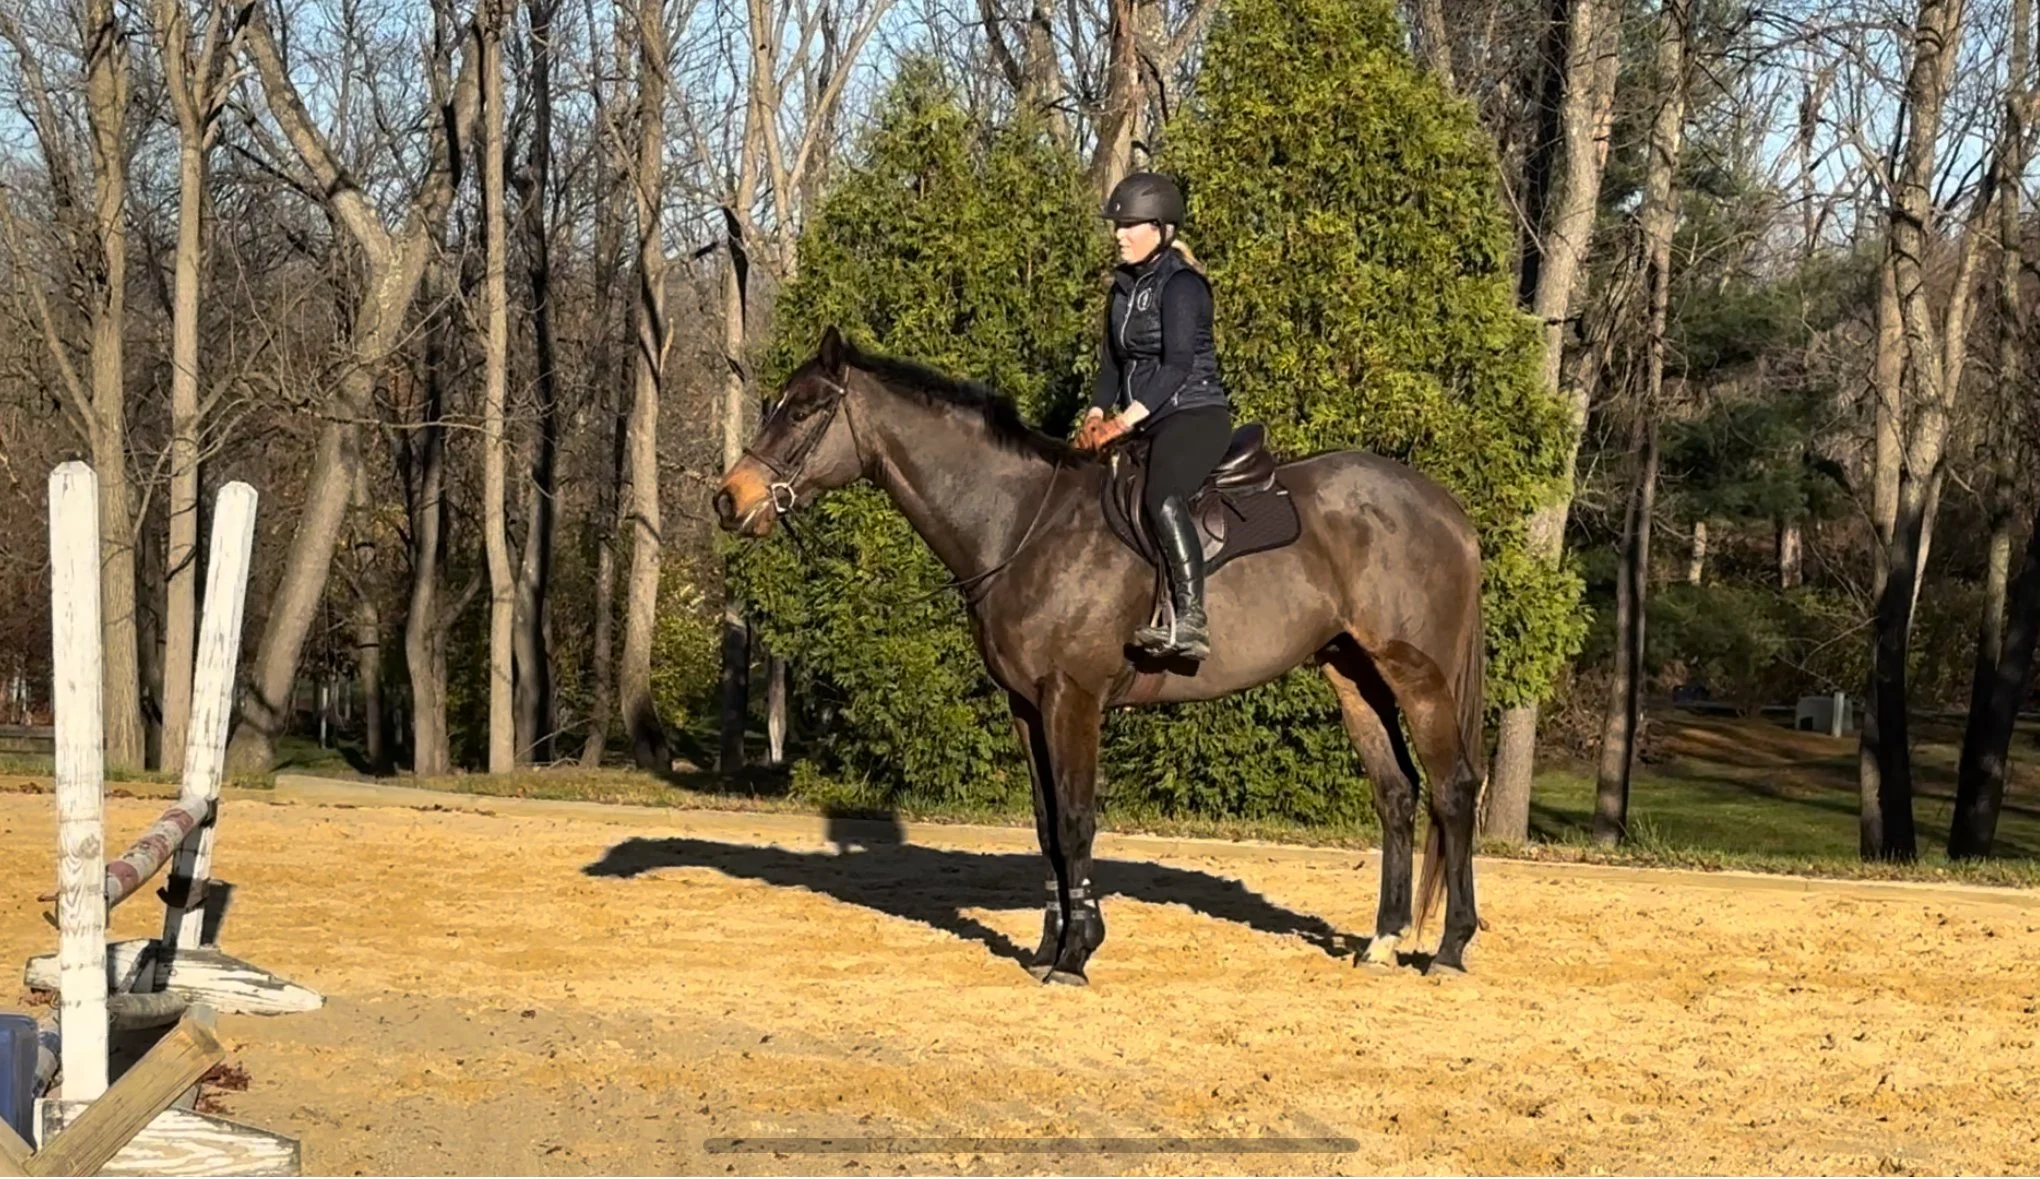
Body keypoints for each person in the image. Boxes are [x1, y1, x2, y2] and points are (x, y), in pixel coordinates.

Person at [1075, 171, 1232, 662]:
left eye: (1130, 225)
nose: (1118, 234)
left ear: (1161, 229)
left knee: (1161, 493)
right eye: (1117, 226)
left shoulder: (1183, 286)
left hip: (1193, 413)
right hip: (1142, 417)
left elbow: (1177, 367)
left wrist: (1124, 422)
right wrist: (1096, 413)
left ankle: (1191, 621)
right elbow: (1111, 364)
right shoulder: (1121, 289)